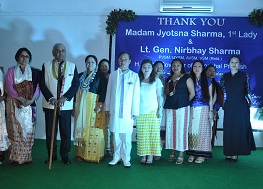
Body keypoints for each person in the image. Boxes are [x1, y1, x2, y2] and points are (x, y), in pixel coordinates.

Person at [40, 43, 79, 165]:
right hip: (50, 105)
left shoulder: (72, 66)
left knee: (65, 131)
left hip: (65, 106)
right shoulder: (46, 66)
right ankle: (52, 155)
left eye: (62, 51)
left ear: (65, 52)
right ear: (53, 52)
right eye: (57, 51)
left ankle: (65, 156)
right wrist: (50, 97)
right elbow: (42, 84)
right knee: (50, 132)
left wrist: (65, 98)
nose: (60, 53)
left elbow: (75, 85)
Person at [5, 47, 40, 164]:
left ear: (29, 59)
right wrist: (19, 98)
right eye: (22, 56)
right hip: (15, 105)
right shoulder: (11, 71)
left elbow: (37, 88)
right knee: (15, 130)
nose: (24, 58)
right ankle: (15, 157)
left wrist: (31, 100)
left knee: (29, 130)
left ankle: (26, 157)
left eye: (27, 56)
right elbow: (9, 87)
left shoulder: (34, 73)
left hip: (29, 105)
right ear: (17, 57)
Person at [105, 52, 140, 168]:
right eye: (120, 59)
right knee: (115, 135)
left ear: (129, 61)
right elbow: (109, 92)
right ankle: (116, 157)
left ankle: (126, 158)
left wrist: (134, 112)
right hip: (114, 110)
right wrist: (107, 107)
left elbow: (136, 96)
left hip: (127, 112)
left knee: (126, 136)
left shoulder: (134, 76)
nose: (122, 62)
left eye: (125, 59)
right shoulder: (113, 75)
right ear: (118, 61)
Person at [220, 56, 256, 162]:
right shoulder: (224, 76)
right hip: (229, 105)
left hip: (241, 105)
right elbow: (222, 92)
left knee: (238, 129)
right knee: (229, 129)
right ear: (228, 64)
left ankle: (235, 154)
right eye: (232, 62)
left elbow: (248, 91)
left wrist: (250, 102)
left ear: (240, 64)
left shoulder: (244, 75)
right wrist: (222, 103)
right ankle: (229, 153)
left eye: (236, 62)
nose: (234, 64)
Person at [73, 55, 107, 163]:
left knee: (93, 129)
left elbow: (103, 90)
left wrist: (100, 104)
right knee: (82, 129)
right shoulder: (79, 76)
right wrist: (74, 105)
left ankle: (94, 155)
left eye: (92, 62)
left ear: (96, 64)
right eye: (88, 62)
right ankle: (81, 154)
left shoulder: (100, 75)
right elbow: (75, 92)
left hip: (94, 106)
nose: (90, 64)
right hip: (81, 106)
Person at [163, 59, 195, 164]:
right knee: (171, 130)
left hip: (182, 108)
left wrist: (183, 102)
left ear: (181, 67)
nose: (175, 67)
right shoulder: (168, 79)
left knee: (181, 131)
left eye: (178, 65)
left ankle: (180, 154)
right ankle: (172, 152)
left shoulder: (186, 77)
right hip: (170, 108)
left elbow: (192, 94)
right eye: (173, 65)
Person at [136, 59, 163, 165]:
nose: (146, 69)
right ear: (141, 68)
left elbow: (159, 96)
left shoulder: (156, 80)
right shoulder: (137, 80)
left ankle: (150, 155)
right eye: (144, 67)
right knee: (142, 134)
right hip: (141, 111)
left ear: (152, 69)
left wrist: (160, 109)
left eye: (148, 67)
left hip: (153, 111)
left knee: (152, 135)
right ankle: (143, 155)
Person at [187, 60, 213, 164]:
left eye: (199, 66)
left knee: (203, 132)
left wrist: (211, 111)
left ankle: (201, 154)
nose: (197, 68)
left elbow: (211, 97)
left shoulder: (207, 81)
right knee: (192, 131)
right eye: (195, 66)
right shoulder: (189, 79)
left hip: (204, 108)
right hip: (192, 108)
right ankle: (193, 153)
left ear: (203, 68)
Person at [205, 65, 224, 148]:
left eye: (214, 71)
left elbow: (220, 97)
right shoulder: (201, 84)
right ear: (205, 72)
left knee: (211, 130)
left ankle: (208, 148)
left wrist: (215, 108)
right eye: (209, 71)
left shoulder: (216, 85)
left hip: (213, 111)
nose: (211, 73)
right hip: (200, 110)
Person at [98, 58, 113, 156]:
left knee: (108, 126)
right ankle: (99, 147)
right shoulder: (96, 77)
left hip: (109, 104)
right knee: (99, 125)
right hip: (98, 103)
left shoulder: (112, 77)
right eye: (102, 66)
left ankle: (108, 148)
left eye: (106, 66)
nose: (104, 68)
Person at [153, 61, 166, 161]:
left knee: (160, 131)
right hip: (150, 108)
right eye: (156, 67)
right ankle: (149, 151)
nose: (158, 69)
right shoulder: (148, 78)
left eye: (160, 67)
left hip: (161, 107)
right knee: (151, 130)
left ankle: (158, 151)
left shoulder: (164, 80)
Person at [0, 67, 10, 164]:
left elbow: (5, 90)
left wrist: (3, 97)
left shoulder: (1, 72)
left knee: (1, 130)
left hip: (0, 106)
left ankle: (0, 154)